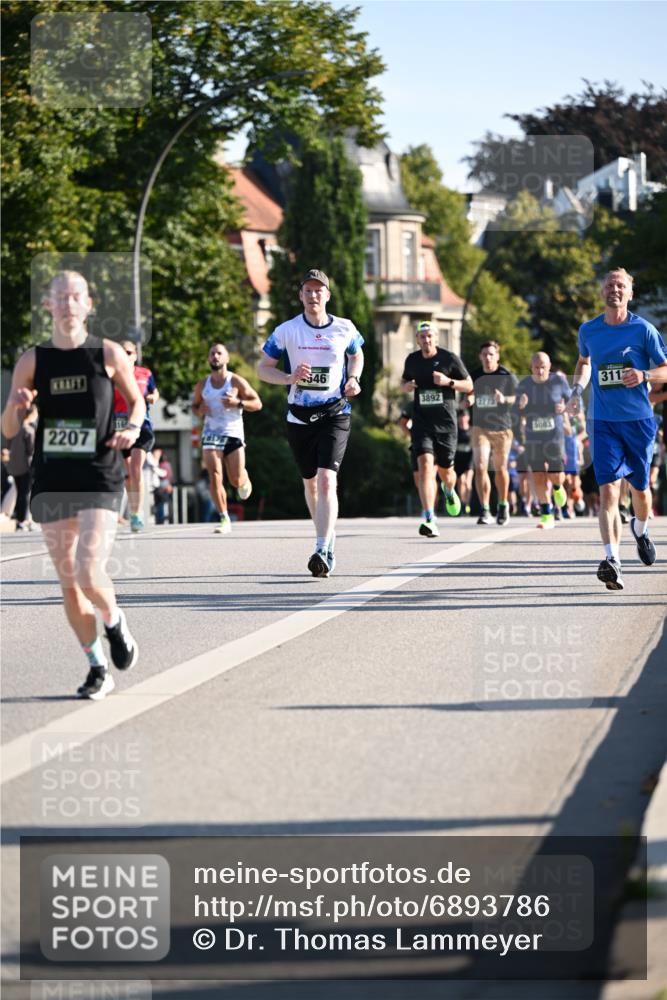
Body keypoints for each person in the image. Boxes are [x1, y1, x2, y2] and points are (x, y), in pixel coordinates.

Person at [1, 270, 144, 699]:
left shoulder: (108, 353)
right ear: (48, 305)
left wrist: (132, 428)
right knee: (68, 579)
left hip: (99, 472)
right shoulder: (33, 361)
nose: (67, 304)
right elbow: (8, 428)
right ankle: (97, 666)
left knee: (87, 568)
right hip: (53, 476)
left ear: (88, 304)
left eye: (75, 296)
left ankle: (114, 621)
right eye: (59, 297)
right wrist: (17, 406)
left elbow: (136, 401)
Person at [257, 268, 363, 576]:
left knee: (327, 478)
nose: (313, 295)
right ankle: (325, 535)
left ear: (327, 295)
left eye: (319, 290)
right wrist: (288, 378)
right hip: (299, 417)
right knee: (311, 482)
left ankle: (322, 547)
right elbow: (263, 368)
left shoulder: (344, 328)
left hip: (334, 413)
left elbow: (356, 354)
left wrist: (354, 378)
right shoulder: (287, 330)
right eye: (308, 290)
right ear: (301, 295)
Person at [567, 267, 667, 591]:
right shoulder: (589, 330)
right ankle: (612, 560)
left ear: (630, 293)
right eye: (610, 284)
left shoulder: (644, 330)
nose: (615, 289)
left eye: (621, 285)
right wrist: (576, 390)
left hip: (638, 422)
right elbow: (584, 362)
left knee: (640, 489)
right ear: (602, 292)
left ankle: (641, 529)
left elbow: (665, 369)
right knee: (609, 490)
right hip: (602, 422)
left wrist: (644, 375)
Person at [400, 321, 472, 537]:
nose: (427, 340)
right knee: (425, 466)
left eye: (430, 336)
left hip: (446, 426)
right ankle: (429, 518)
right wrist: (406, 386)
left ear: (436, 338)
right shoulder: (412, 360)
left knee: (446, 472)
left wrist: (449, 382)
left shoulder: (449, 358)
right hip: (422, 423)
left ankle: (448, 490)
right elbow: (403, 382)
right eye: (422, 336)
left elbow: (469, 385)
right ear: (417, 339)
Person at [192, 342, 262, 535]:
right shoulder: (203, 385)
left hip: (233, 433)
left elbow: (257, 403)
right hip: (211, 434)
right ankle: (224, 517)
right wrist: (200, 410)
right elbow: (195, 407)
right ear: (208, 358)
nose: (215, 356)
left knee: (235, 480)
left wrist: (237, 403)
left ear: (226, 358)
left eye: (219, 353)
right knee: (214, 475)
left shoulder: (236, 381)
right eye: (212, 353)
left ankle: (243, 479)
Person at [463, 341, 518, 525]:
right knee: (480, 466)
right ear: (480, 357)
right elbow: (469, 393)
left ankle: (503, 504)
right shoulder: (475, 375)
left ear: (497, 356)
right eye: (485, 354)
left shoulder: (506, 375)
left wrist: (504, 399)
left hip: (502, 428)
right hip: (480, 427)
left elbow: (518, 398)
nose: (488, 358)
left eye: (491, 354)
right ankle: (485, 509)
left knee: (500, 469)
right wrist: (469, 400)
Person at [515, 352, 571, 529]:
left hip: (554, 436)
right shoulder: (524, 385)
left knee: (555, 475)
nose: (540, 371)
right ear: (531, 367)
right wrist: (520, 405)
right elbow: (515, 410)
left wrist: (564, 407)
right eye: (536, 368)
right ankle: (547, 514)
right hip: (533, 438)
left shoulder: (559, 381)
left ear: (549, 366)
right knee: (538, 475)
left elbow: (573, 402)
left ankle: (557, 487)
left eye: (543, 367)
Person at [113, 339, 159, 532]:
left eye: (129, 352)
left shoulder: (144, 373)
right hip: (120, 426)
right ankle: (133, 511)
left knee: (135, 469)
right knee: (128, 475)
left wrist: (152, 397)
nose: (126, 355)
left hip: (142, 425)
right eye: (122, 352)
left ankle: (137, 513)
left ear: (135, 355)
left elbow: (155, 392)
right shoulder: (113, 374)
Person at [6, 403, 37, 530]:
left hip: (14, 465)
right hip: (25, 466)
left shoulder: (14, 429)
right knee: (25, 493)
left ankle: (19, 517)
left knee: (20, 492)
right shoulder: (28, 430)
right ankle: (23, 520)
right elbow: (31, 450)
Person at [151, 446, 174, 525]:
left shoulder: (164, 464)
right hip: (163, 487)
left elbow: (164, 474)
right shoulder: (166, 464)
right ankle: (162, 519)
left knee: (161, 505)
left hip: (162, 488)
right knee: (162, 504)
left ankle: (161, 520)